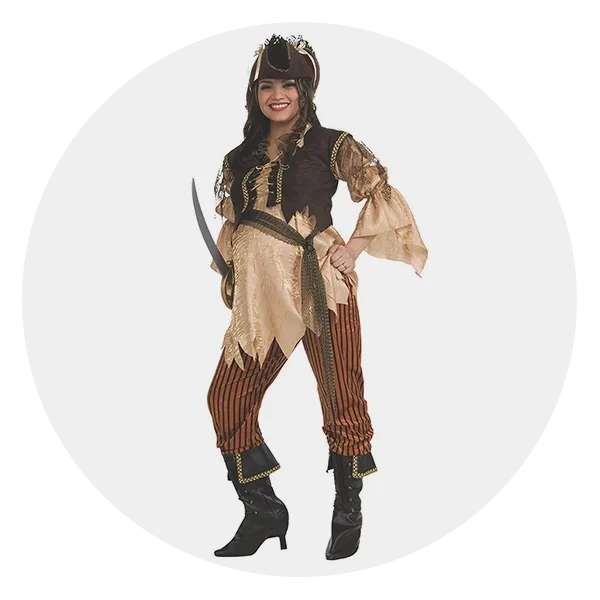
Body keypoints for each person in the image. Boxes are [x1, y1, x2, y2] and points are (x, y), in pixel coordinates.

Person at [205, 33, 428, 560]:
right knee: (226, 396)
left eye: (288, 85)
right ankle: (263, 510)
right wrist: (235, 272)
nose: (277, 95)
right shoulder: (238, 159)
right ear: (254, 94)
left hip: (321, 285)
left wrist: (353, 249)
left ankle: (347, 509)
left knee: (341, 394)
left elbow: (380, 190)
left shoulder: (331, 142)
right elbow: (234, 230)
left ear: (304, 91)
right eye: (266, 85)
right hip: (261, 298)